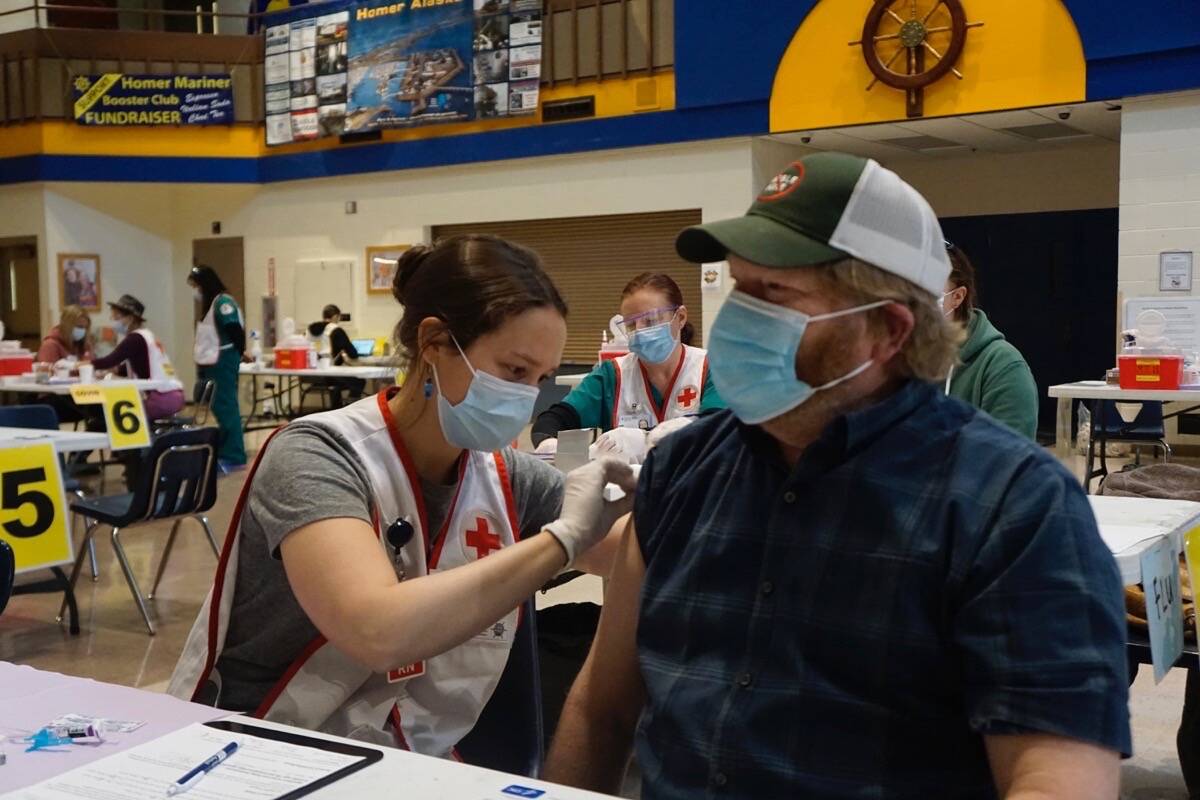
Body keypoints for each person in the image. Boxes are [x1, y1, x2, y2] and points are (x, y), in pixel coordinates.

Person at [544, 153, 1130, 799]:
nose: (737, 319)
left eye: (775, 295)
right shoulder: (685, 471)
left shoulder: (1013, 505)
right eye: (740, 286)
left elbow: (1053, 780)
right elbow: (601, 713)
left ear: (887, 329)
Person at [168, 234, 634, 758]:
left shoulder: (507, 475)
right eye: (514, 372)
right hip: (261, 745)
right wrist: (562, 540)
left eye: (542, 379)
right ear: (434, 342)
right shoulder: (315, 455)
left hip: (400, 756)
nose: (527, 399)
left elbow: (625, 548)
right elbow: (376, 629)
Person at [533, 273, 723, 463]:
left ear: (680, 317)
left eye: (650, 320)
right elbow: (555, 419)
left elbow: (719, 430)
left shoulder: (710, 367)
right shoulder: (612, 375)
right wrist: (548, 443)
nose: (640, 331)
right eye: (631, 325)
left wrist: (644, 440)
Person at [942, 242, 1039, 440]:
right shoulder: (893, 360)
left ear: (957, 296)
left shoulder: (1003, 367)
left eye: (925, 287)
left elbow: (1007, 462)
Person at [188, 266, 248, 471]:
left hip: (223, 359)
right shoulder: (213, 304)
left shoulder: (223, 303)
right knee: (219, 406)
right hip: (215, 361)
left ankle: (234, 454)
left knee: (226, 406)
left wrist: (241, 351)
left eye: (195, 285)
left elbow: (234, 329)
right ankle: (225, 449)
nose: (195, 290)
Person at [91, 294, 185, 420]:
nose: (112, 319)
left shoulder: (135, 338)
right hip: (173, 394)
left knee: (115, 415)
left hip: (160, 399)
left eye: (116, 316)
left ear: (130, 318)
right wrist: (116, 370)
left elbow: (109, 360)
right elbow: (141, 364)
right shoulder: (147, 335)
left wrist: (81, 364)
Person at [34, 305, 96, 428]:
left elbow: (91, 366)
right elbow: (45, 375)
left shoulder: (84, 346)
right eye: (79, 327)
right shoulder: (50, 345)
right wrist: (75, 368)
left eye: (84, 328)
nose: (82, 331)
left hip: (80, 395)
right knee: (98, 409)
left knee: (105, 407)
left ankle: (86, 445)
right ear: (67, 326)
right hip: (55, 398)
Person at [307, 303, 365, 410]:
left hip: (310, 376)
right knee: (359, 381)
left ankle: (337, 408)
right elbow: (353, 353)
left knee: (337, 384)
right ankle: (348, 409)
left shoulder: (310, 330)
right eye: (339, 318)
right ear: (335, 316)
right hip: (329, 374)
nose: (338, 320)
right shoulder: (336, 330)